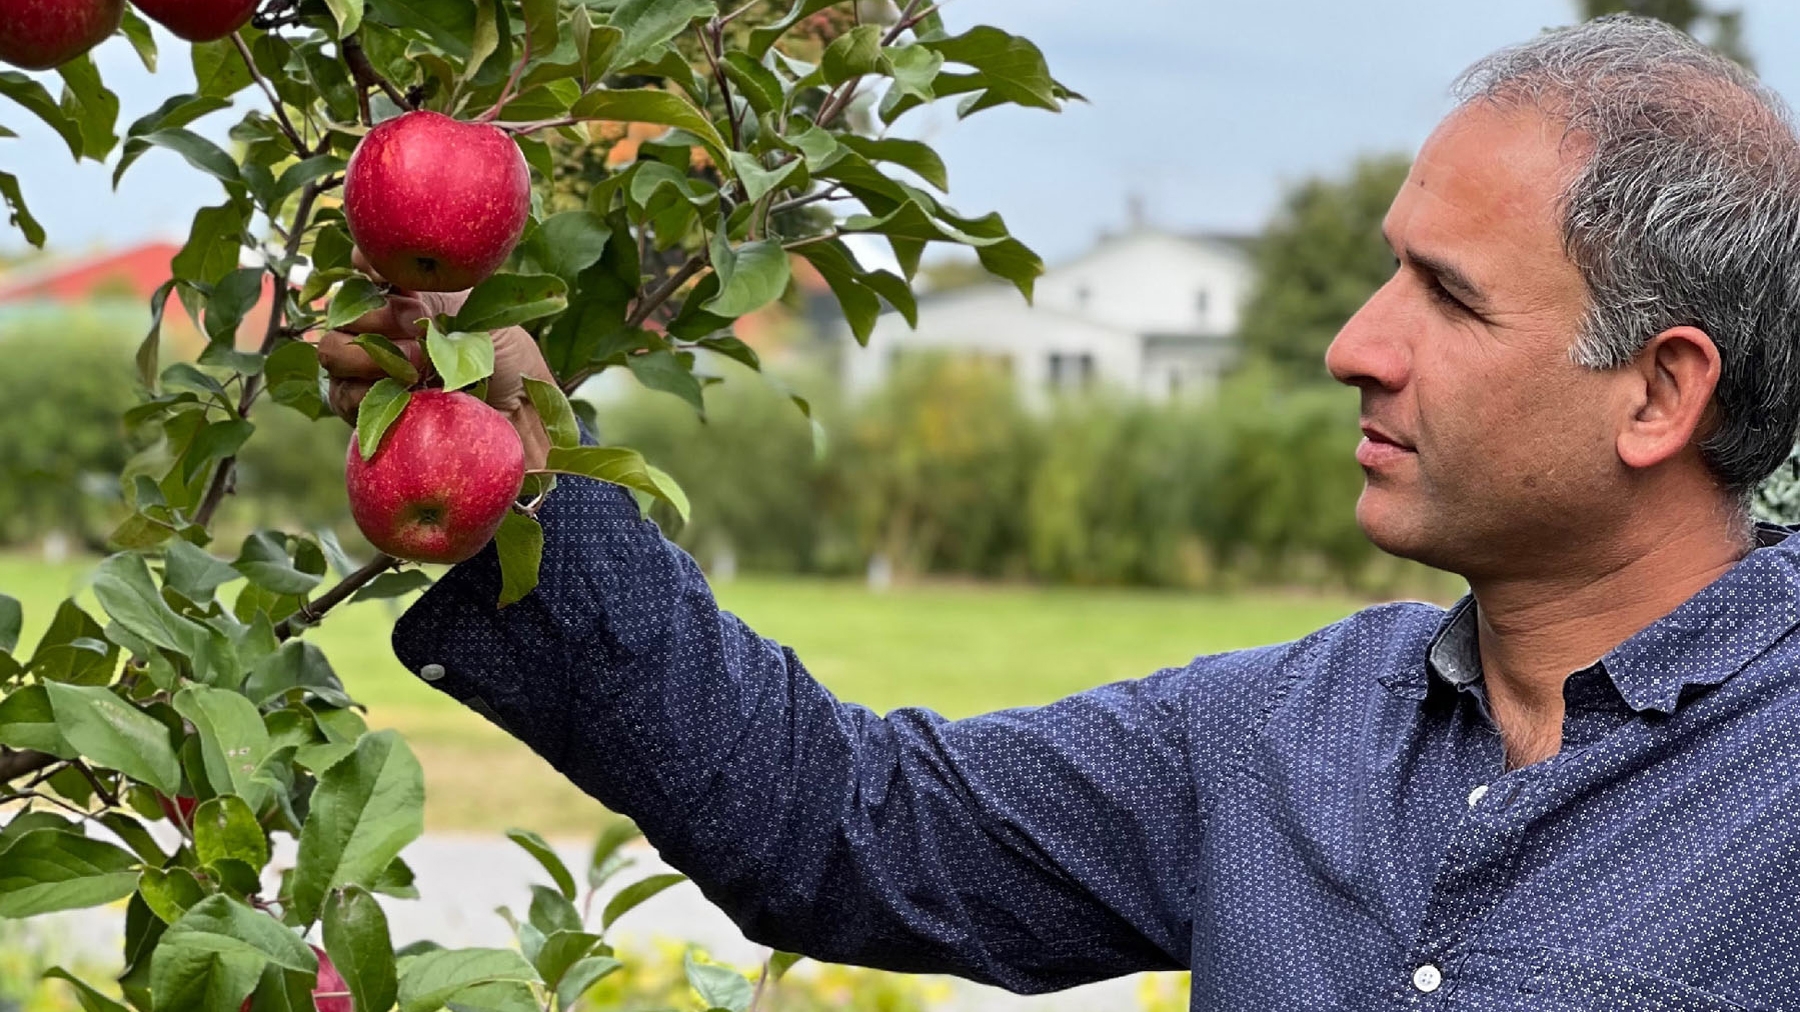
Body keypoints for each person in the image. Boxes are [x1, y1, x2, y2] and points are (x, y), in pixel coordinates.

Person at [318, 15, 1800, 1010]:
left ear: (1659, 396)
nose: (1356, 341)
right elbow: (847, 825)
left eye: (1451, 299)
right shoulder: (1277, 737)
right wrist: (519, 463)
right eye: (1388, 269)